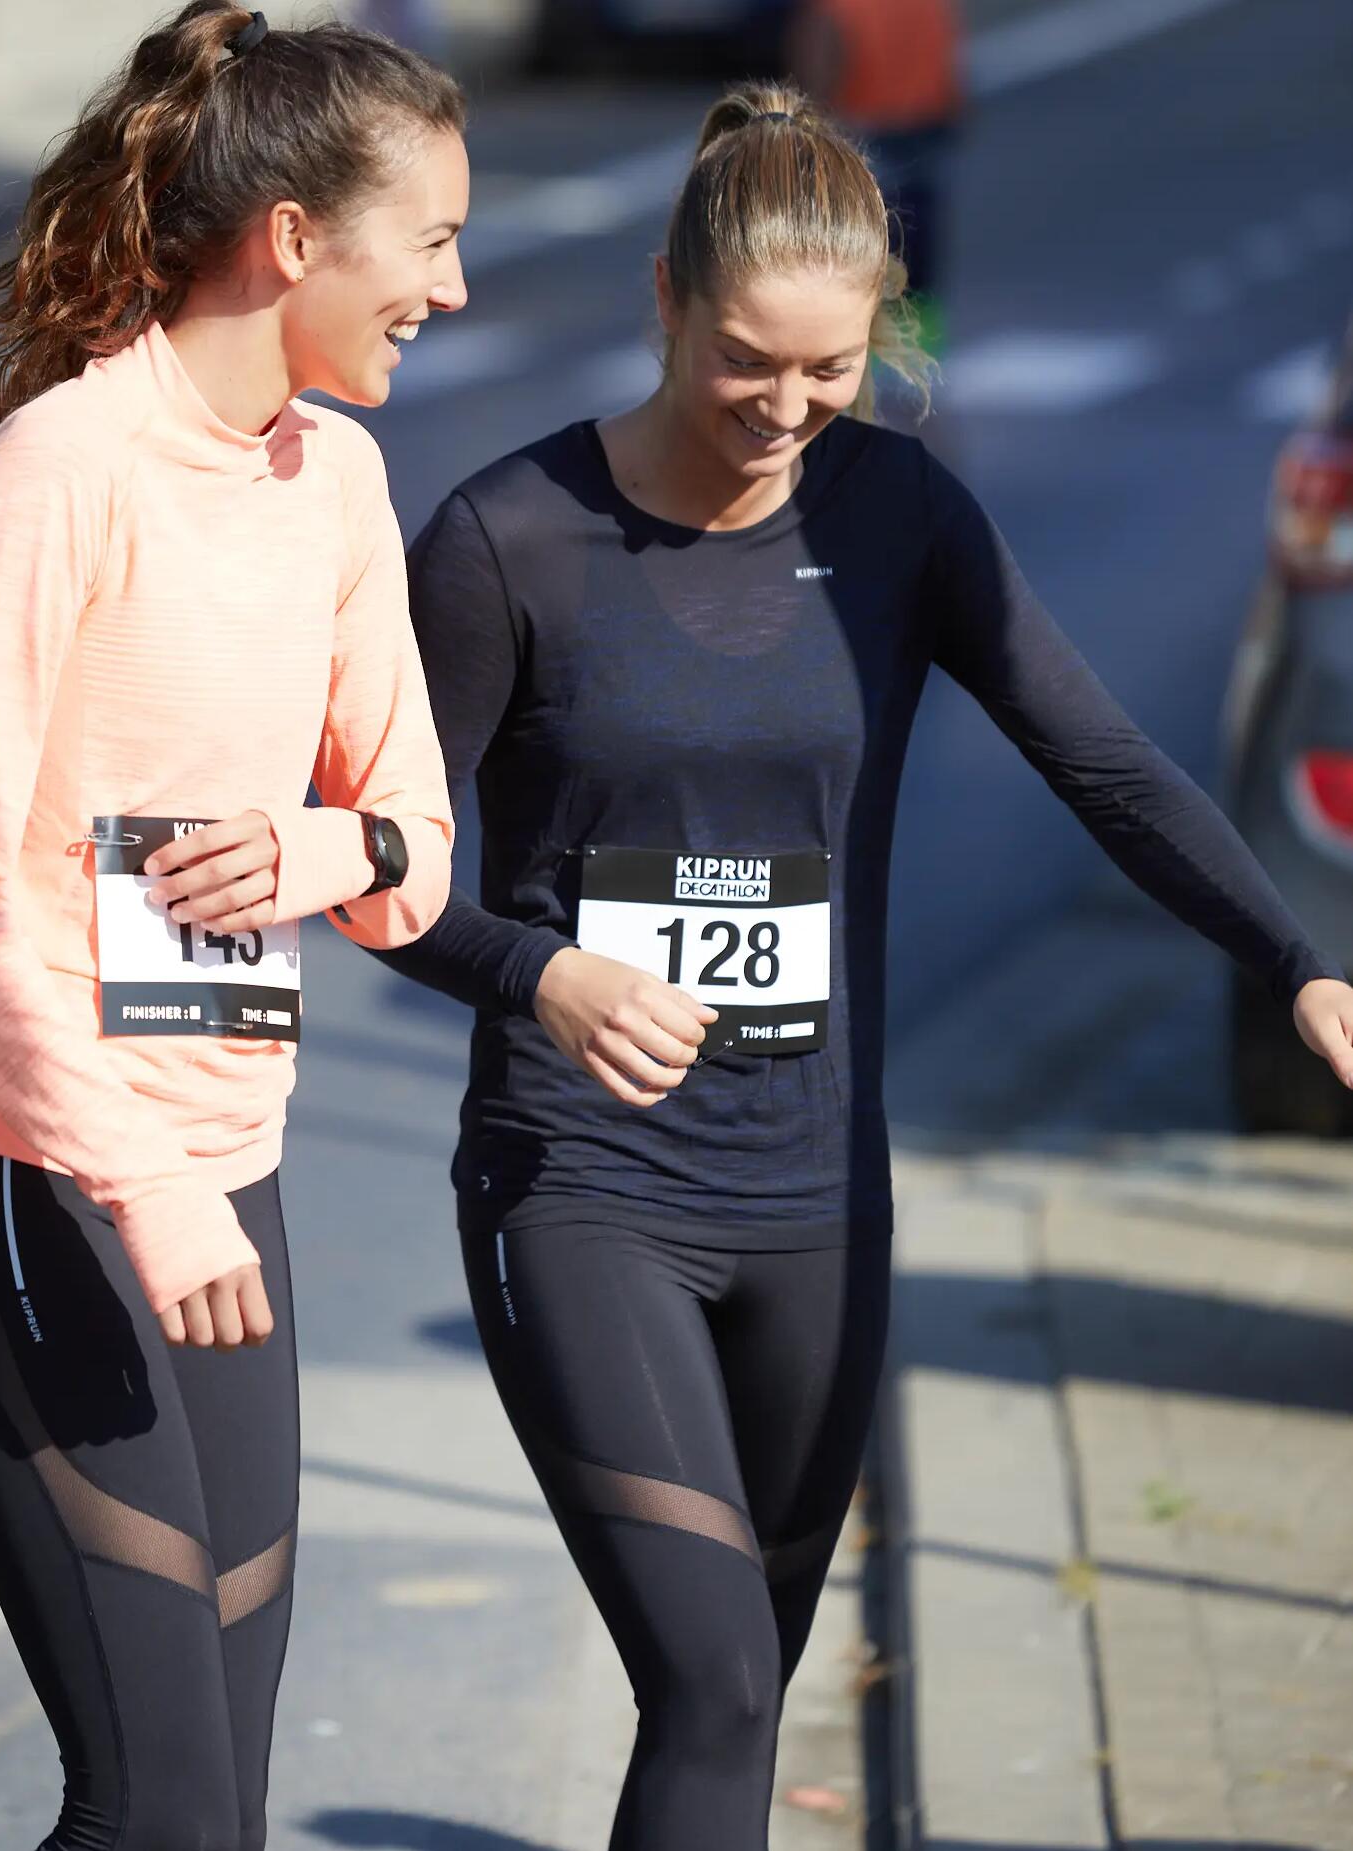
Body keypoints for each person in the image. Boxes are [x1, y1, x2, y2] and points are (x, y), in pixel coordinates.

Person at [375, 82, 1353, 1851]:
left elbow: (1105, 762)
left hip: (814, 1193)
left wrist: (1296, 958)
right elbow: (374, 876)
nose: (786, 410)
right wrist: (543, 978)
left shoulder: (899, 516)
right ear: (666, 297)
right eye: (749, 360)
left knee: (748, 1672)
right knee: (716, 1679)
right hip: (579, 1177)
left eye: (830, 371)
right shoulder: (503, 539)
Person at [0, 8, 465, 1848]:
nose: (454, 282)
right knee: (161, 1807)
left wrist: (320, 841)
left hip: (230, 1186)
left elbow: (417, 854)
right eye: (429, 237)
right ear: (294, 239)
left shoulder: (337, 485)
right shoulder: (64, 472)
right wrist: (141, 1175)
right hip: (41, 1192)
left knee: (216, 1807)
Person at [789, 0, 964, 355]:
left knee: (861, 248)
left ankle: (868, 350)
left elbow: (820, 65)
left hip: (864, 135)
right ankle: (922, 349)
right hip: (924, 130)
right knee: (918, 242)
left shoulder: (840, 8)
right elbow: (950, 65)